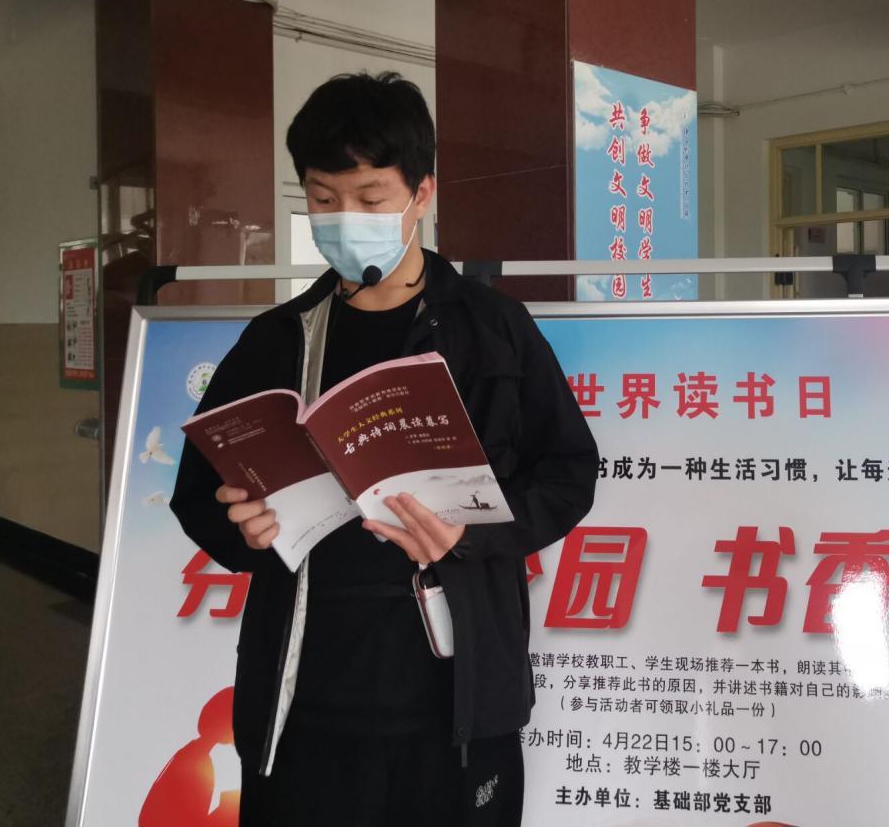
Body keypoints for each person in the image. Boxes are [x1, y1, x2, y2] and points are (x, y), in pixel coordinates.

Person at [171, 71, 598, 826]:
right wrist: (239, 524)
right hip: (305, 701)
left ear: (421, 194)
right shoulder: (275, 340)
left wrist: (472, 534)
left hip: (455, 702)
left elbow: (569, 472)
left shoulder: (494, 329)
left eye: (370, 200)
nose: (345, 219)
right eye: (323, 199)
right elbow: (199, 493)